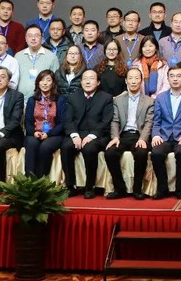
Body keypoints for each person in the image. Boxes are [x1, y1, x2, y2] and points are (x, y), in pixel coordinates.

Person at [61, 69, 113, 199]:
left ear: (98, 82)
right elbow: (68, 119)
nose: (87, 81)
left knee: (89, 149)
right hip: (77, 133)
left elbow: (106, 121)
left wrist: (91, 136)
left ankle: (90, 187)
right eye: (85, 79)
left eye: (91, 78)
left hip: (97, 135)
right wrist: (74, 135)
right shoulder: (73, 97)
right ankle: (70, 186)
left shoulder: (106, 98)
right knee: (66, 147)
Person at [105, 68, 154, 200]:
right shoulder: (118, 100)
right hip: (123, 135)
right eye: (130, 78)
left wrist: (143, 139)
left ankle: (137, 189)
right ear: (126, 81)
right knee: (110, 153)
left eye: (136, 78)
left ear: (141, 81)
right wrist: (115, 137)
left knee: (141, 153)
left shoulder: (149, 101)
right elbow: (115, 121)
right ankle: (119, 188)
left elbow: (149, 122)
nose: (133, 81)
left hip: (139, 135)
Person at [151, 65, 181, 199]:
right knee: (156, 153)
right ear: (168, 79)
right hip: (164, 136)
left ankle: (179, 189)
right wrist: (156, 135)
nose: (175, 79)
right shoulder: (160, 98)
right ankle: (162, 189)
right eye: (171, 76)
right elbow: (156, 120)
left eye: (178, 76)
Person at [23, 70, 67, 178]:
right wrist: (34, 133)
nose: (45, 83)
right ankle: (29, 179)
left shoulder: (60, 100)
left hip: (54, 134)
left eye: (48, 80)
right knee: (31, 144)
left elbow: (62, 123)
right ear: (38, 83)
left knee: (45, 147)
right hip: (35, 133)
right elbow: (27, 122)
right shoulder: (32, 100)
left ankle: (41, 180)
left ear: (53, 83)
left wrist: (49, 134)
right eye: (42, 80)